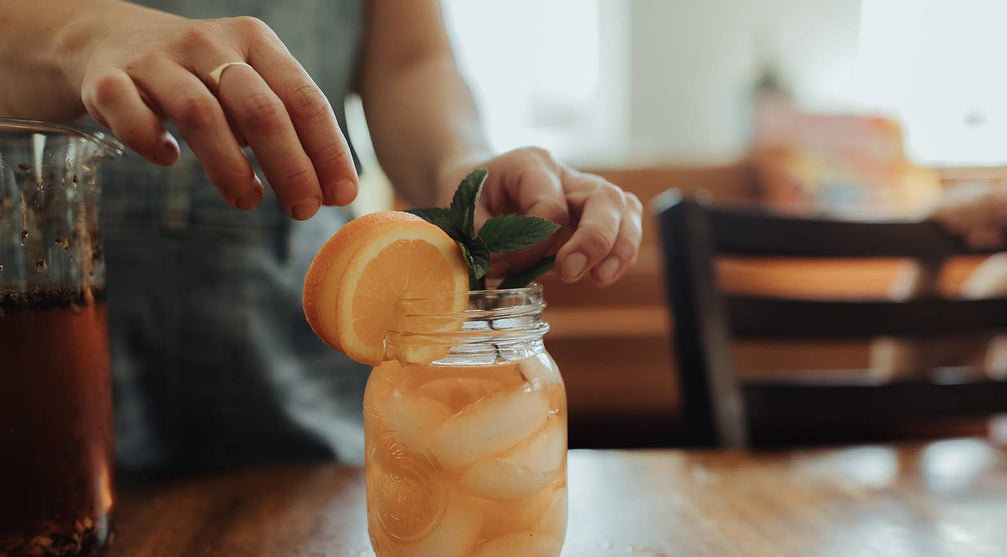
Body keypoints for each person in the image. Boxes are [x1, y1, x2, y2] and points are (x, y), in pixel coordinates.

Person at [0, 0, 643, 469]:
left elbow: (412, 62)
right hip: (39, 354)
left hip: (298, 387)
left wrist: (463, 172)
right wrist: (81, 34)